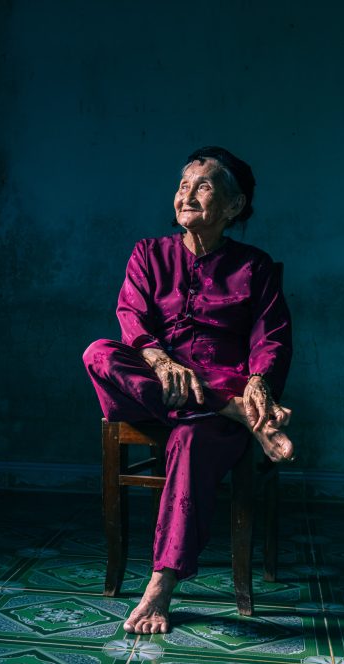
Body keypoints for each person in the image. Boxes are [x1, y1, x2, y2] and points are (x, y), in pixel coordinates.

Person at [82, 146, 295, 635]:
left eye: (202, 185)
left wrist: (258, 380)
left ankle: (160, 587)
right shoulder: (148, 254)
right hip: (153, 389)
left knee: (191, 437)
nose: (186, 194)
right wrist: (159, 360)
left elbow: (273, 335)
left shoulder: (255, 267)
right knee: (99, 351)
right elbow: (130, 317)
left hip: (205, 418)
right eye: (182, 184)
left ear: (234, 206)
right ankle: (234, 411)